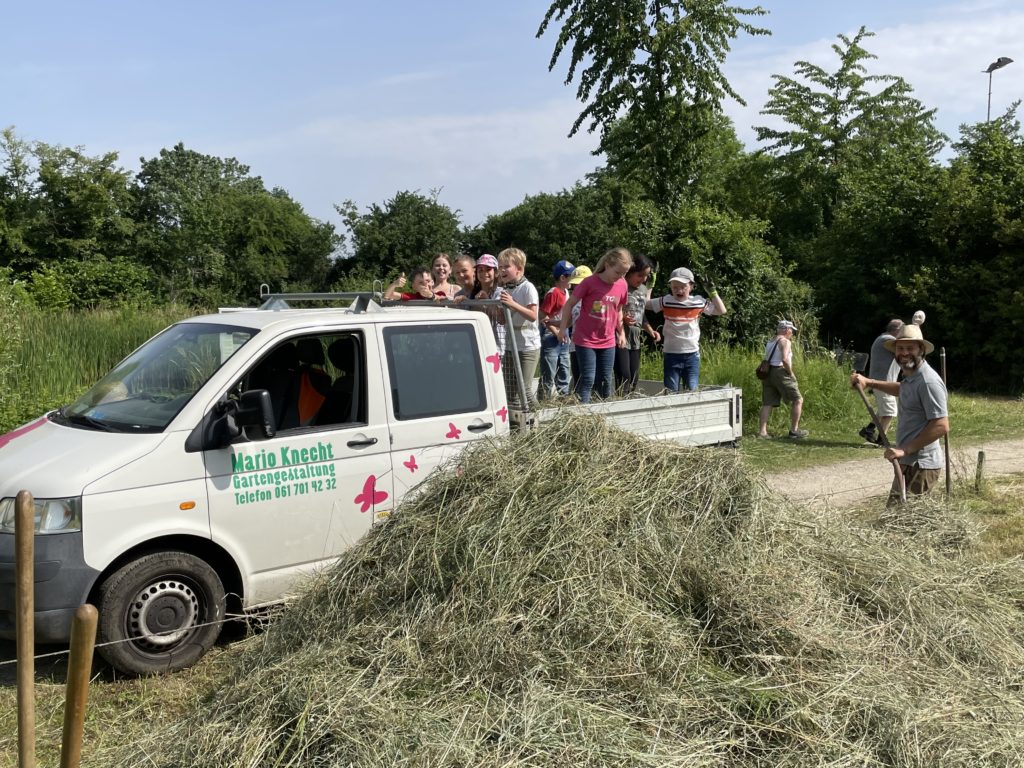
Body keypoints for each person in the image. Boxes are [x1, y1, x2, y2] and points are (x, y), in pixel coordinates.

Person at [850, 323, 949, 502]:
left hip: (921, 466)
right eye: (900, 348)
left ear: (921, 350)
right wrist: (869, 382)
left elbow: (941, 425)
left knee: (904, 523)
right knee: (894, 519)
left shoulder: (928, 382)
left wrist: (904, 449)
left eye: (910, 348)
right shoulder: (912, 376)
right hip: (908, 462)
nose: (904, 353)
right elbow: (902, 389)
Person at [557, 248, 631, 403]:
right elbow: (569, 305)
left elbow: (618, 309)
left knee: (605, 379)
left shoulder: (622, 284)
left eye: (624, 273)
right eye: (618, 272)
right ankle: (582, 412)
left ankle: (602, 412)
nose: (620, 277)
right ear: (608, 265)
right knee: (588, 378)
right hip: (586, 339)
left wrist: (621, 333)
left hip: (608, 339)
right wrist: (563, 329)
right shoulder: (590, 282)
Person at [645, 267, 726, 392]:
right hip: (671, 354)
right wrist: (650, 285)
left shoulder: (698, 301)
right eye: (674, 287)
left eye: (683, 287)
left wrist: (712, 293)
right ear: (670, 287)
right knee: (671, 392)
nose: (679, 290)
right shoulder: (666, 301)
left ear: (692, 286)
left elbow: (721, 310)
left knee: (692, 391)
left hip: (692, 355)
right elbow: (645, 304)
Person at [497, 247, 541, 409]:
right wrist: (498, 309)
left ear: (519, 269)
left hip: (528, 346)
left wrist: (512, 304)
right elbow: (503, 320)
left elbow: (533, 315)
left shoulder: (527, 288)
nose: (501, 270)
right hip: (511, 345)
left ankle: (541, 420)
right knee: (510, 391)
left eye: (506, 266)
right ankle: (516, 426)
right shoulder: (506, 289)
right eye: (500, 267)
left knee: (526, 390)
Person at [615, 254, 660, 394]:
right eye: (640, 275)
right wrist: (623, 319)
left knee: (634, 377)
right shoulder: (621, 286)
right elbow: (613, 310)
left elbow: (641, 314)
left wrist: (650, 330)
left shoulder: (642, 290)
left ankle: (628, 401)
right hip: (620, 338)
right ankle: (621, 401)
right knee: (624, 376)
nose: (644, 279)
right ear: (629, 272)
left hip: (635, 340)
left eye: (646, 276)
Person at [758, 320, 808, 439]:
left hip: (768, 373)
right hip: (780, 372)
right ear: (786, 330)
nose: (792, 333)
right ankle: (794, 431)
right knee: (798, 400)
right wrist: (791, 374)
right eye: (791, 331)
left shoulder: (770, 341)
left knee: (767, 403)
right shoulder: (785, 341)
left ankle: (762, 432)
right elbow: (785, 359)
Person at [859, 318, 904, 445]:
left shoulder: (883, 338)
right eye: (903, 331)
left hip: (881, 381)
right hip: (883, 381)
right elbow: (903, 348)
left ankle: (869, 429)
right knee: (889, 411)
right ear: (897, 331)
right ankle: (881, 440)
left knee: (884, 409)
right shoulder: (887, 340)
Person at [538, 259, 575, 399]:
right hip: (551, 336)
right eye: (571, 276)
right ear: (562, 277)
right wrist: (556, 332)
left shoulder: (566, 292)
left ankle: (563, 399)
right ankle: (544, 402)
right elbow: (543, 316)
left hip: (563, 336)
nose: (573, 280)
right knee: (549, 373)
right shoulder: (553, 293)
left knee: (564, 370)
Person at [566, 265, 592, 392]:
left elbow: (599, 319)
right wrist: (552, 323)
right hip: (575, 345)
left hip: (589, 345)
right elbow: (570, 321)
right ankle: (577, 406)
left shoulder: (596, 301)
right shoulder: (574, 301)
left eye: (580, 284)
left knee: (587, 378)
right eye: (575, 285)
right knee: (577, 378)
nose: (577, 287)